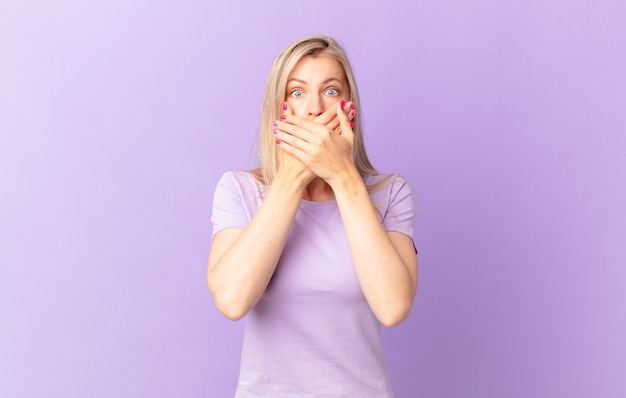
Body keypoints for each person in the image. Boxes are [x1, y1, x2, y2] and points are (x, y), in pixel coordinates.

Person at [207, 34, 418, 397]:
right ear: (279, 108)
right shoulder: (239, 190)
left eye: (331, 91)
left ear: (349, 107)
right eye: (298, 93)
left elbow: (393, 307)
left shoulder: (389, 193)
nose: (314, 109)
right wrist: (292, 177)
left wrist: (343, 177)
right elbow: (232, 299)